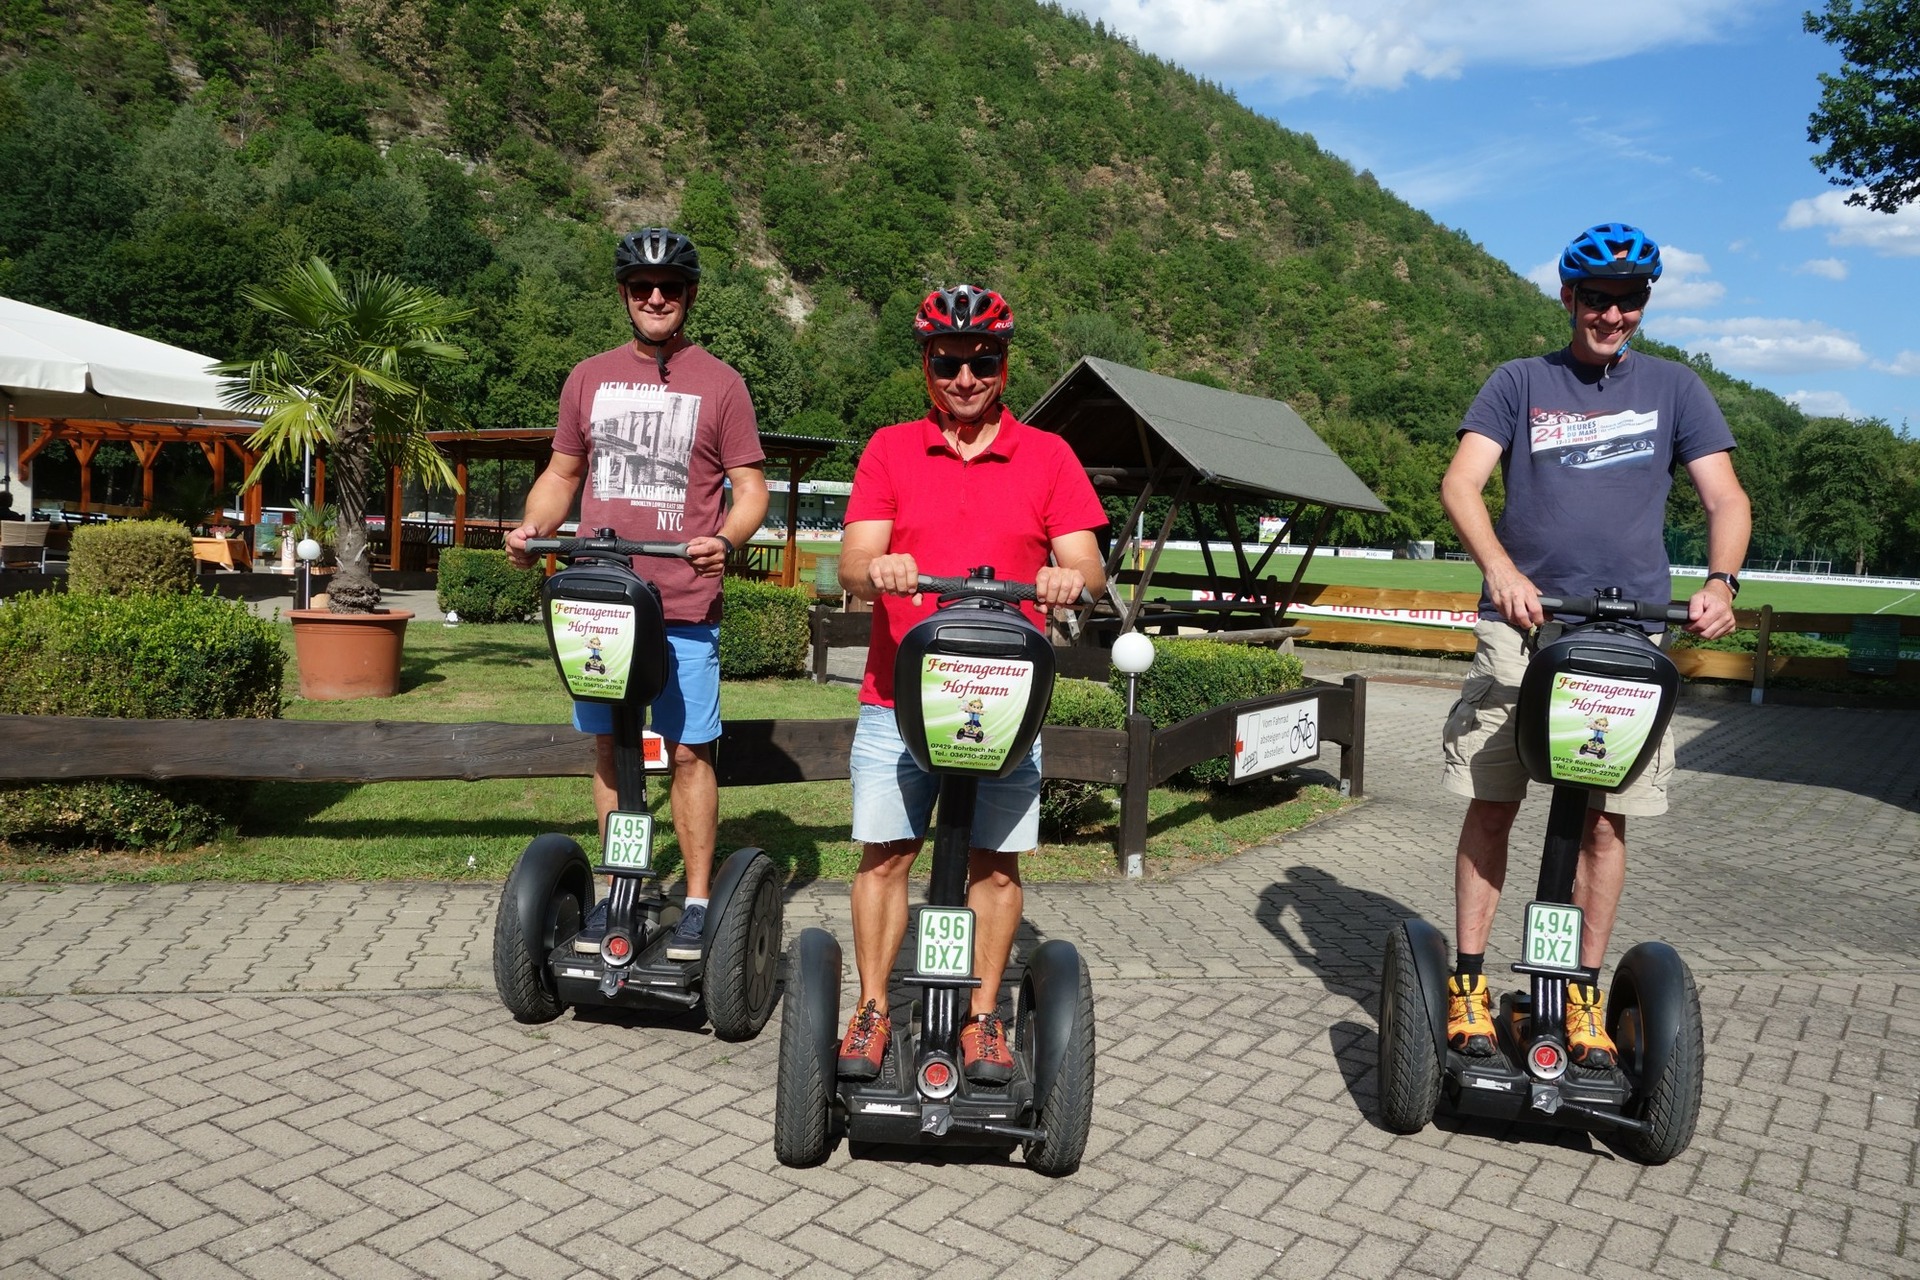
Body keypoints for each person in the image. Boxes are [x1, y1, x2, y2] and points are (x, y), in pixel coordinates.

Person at [1439, 221, 1751, 1068]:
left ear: (1643, 306)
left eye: (1629, 301)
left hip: (1624, 637)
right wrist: (1501, 571)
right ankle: (1467, 981)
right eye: (1597, 298)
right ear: (1568, 296)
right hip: (1524, 627)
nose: (1612, 314)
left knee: (1607, 823)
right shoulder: (1520, 382)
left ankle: (1578, 994)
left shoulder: (1676, 389)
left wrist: (1721, 583)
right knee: (1494, 798)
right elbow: (1462, 483)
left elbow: (1726, 499)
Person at [834, 285, 1108, 1084]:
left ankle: (985, 1016)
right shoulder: (889, 449)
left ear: (1004, 365)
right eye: (947, 361)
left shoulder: (1048, 456)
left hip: (1004, 704)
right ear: (927, 364)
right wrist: (877, 568)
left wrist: (1067, 577)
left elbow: (1088, 564)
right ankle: (875, 1006)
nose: (964, 377)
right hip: (899, 699)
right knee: (885, 857)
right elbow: (854, 561)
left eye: (981, 361)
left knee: (996, 866)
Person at [507, 228, 769, 961]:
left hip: (683, 602)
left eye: (671, 288)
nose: (656, 298)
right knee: (610, 745)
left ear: (687, 297)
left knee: (688, 753)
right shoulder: (588, 376)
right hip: (603, 602)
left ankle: (694, 899)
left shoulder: (721, 383)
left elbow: (750, 489)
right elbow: (562, 475)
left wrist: (731, 537)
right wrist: (533, 528)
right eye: (641, 287)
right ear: (624, 295)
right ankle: (624, 881)